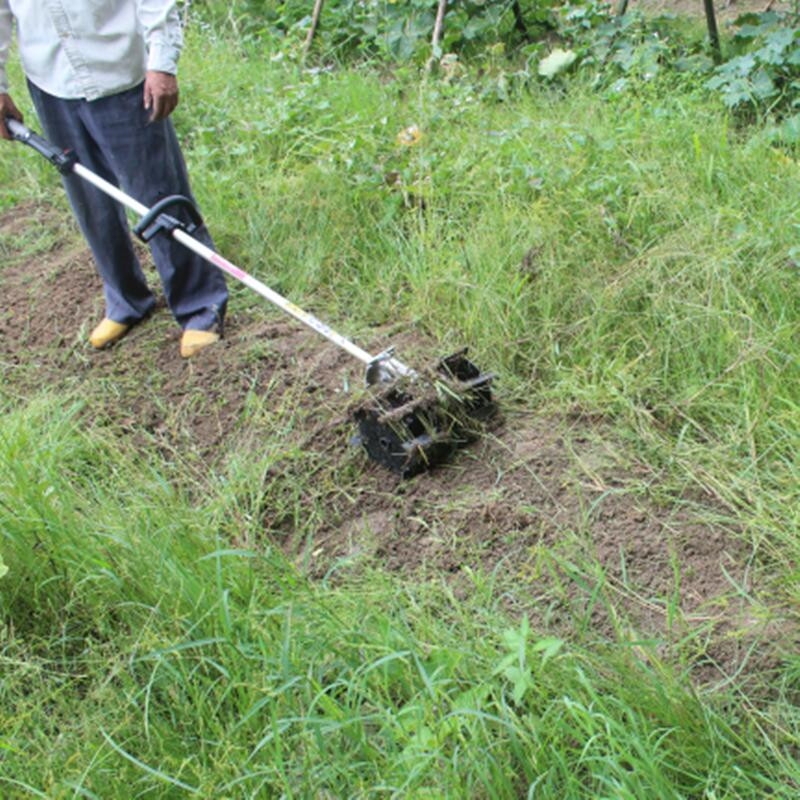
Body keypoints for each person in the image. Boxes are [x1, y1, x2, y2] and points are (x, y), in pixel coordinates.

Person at [0, 0, 227, 358]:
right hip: (51, 80)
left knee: (158, 194)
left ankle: (201, 306)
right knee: (90, 200)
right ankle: (127, 300)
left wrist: (162, 63)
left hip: (120, 72)